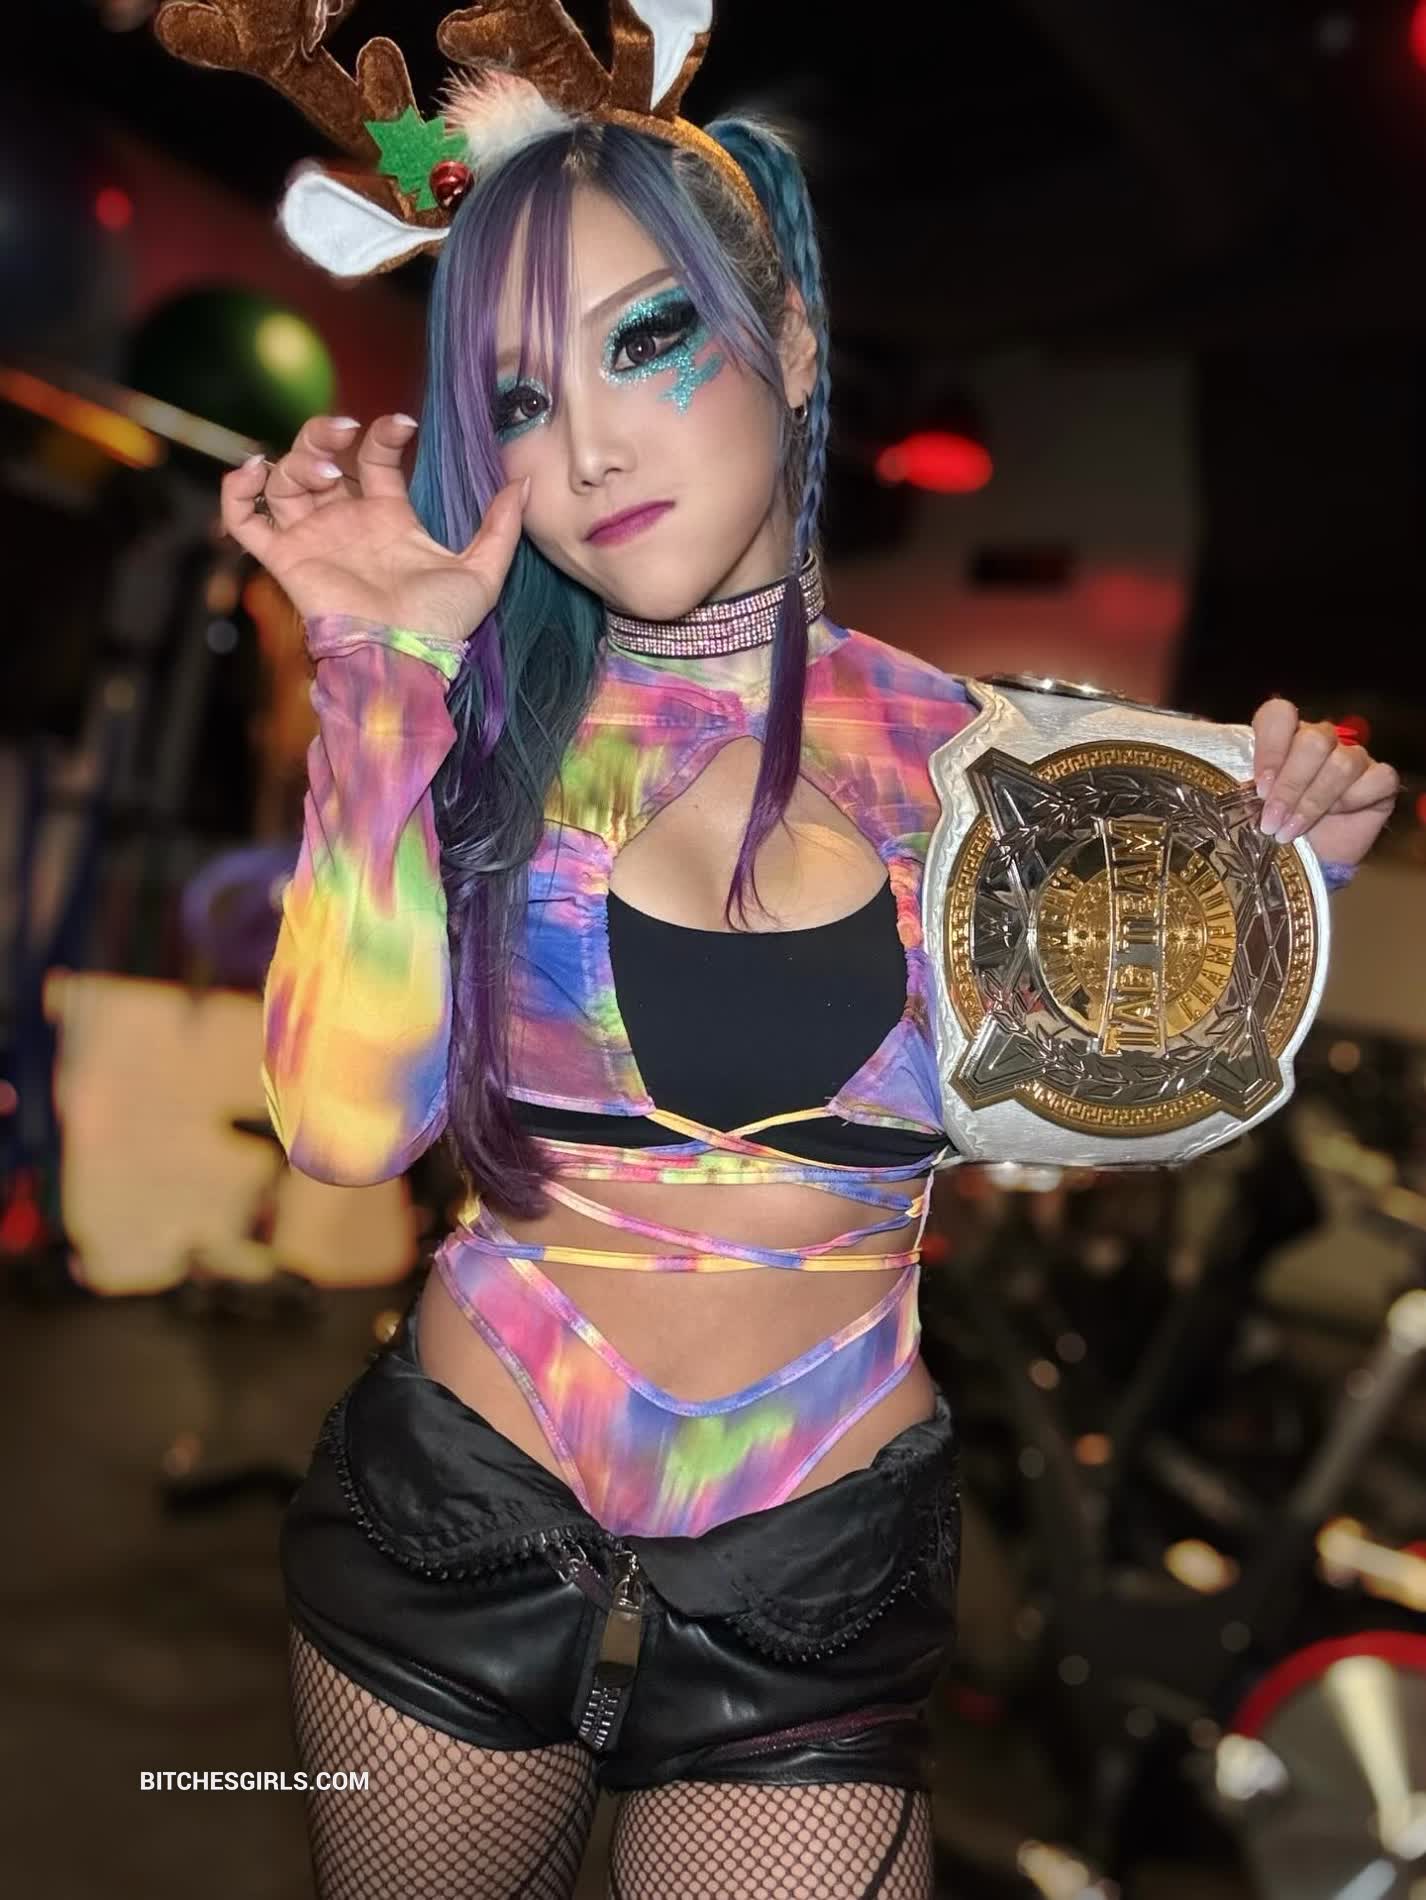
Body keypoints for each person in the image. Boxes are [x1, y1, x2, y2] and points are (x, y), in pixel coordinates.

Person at [208, 32, 1400, 1900]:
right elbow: (347, 1132)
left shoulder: (996, 772)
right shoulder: (475, 730)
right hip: (460, 1524)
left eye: (646, 340)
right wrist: (376, 685)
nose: (588, 446)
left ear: (790, 338)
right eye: (520, 397)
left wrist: (1264, 900)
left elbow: (1123, 1112)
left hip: (811, 1577)